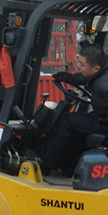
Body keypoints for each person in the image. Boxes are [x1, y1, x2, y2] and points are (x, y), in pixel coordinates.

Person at [41, 43, 108, 175]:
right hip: (102, 117)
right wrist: (71, 79)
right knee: (78, 123)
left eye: (82, 65)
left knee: (68, 121)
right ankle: (69, 166)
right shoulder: (101, 72)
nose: (79, 67)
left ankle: (47, 161)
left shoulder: (104, 86)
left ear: (96, 68)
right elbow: (86, 77)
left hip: (104, 123)